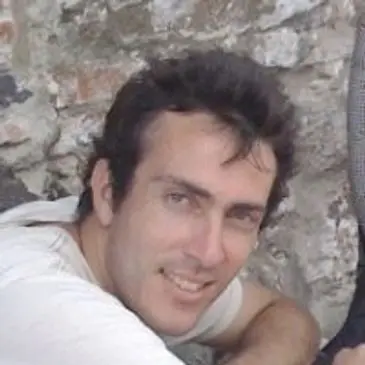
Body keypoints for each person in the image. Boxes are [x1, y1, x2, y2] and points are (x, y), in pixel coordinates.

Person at [0, 49, 319, 364]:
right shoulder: (46, 304)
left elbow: (282, 317)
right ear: (108, 192)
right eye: (180, 200)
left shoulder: (124, 261)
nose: (208, 253)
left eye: (240, 216)